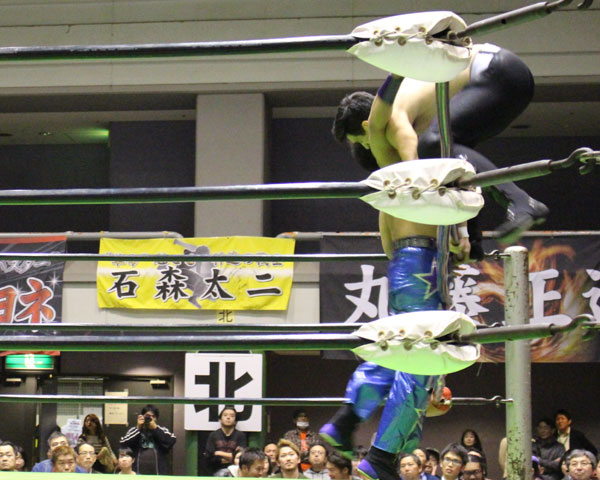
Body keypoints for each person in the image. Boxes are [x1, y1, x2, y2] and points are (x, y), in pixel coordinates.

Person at [321, 64, 456, 480]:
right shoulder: (398, 143)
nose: (365, 142)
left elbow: (385, 235)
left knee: (400, 348)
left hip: (404, 260)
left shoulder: (385, 173)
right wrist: (404, 65)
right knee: (417, 358)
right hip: (419, 260)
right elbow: (384, 115)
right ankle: (380, 456)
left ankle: (347, 419)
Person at [333, 43, 548, 249]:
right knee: (452, 163)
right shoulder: (413, 117)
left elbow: (417, 173)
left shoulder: (394, 116)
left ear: (367, 125)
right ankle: (474, 240)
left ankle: (520, 200)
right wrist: (463, 235)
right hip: (511, 83)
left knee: (431, 148)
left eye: (361, 141)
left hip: (496, 69)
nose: (367, 147)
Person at [119, 404, 176, 475]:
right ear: (142, 416)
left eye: (153, 416)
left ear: (156, 419)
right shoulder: (134, 430)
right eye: (148, 416)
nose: (150, 419)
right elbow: (123, 443)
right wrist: (138, 429)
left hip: (158, 474)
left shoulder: (162, 430)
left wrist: (155, 429)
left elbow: (171, 441)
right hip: (137, 474)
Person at [204, 405, 247, 475]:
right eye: (225, 415)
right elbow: (209, 458)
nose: (228, 417)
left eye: (232, 416)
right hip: (215, 471)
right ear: (220, 419)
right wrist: (231, 458)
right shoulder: (213, 435)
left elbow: (241, 457)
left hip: (236, 472)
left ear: (235, 421)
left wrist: (219, 453)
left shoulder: (240, 436)